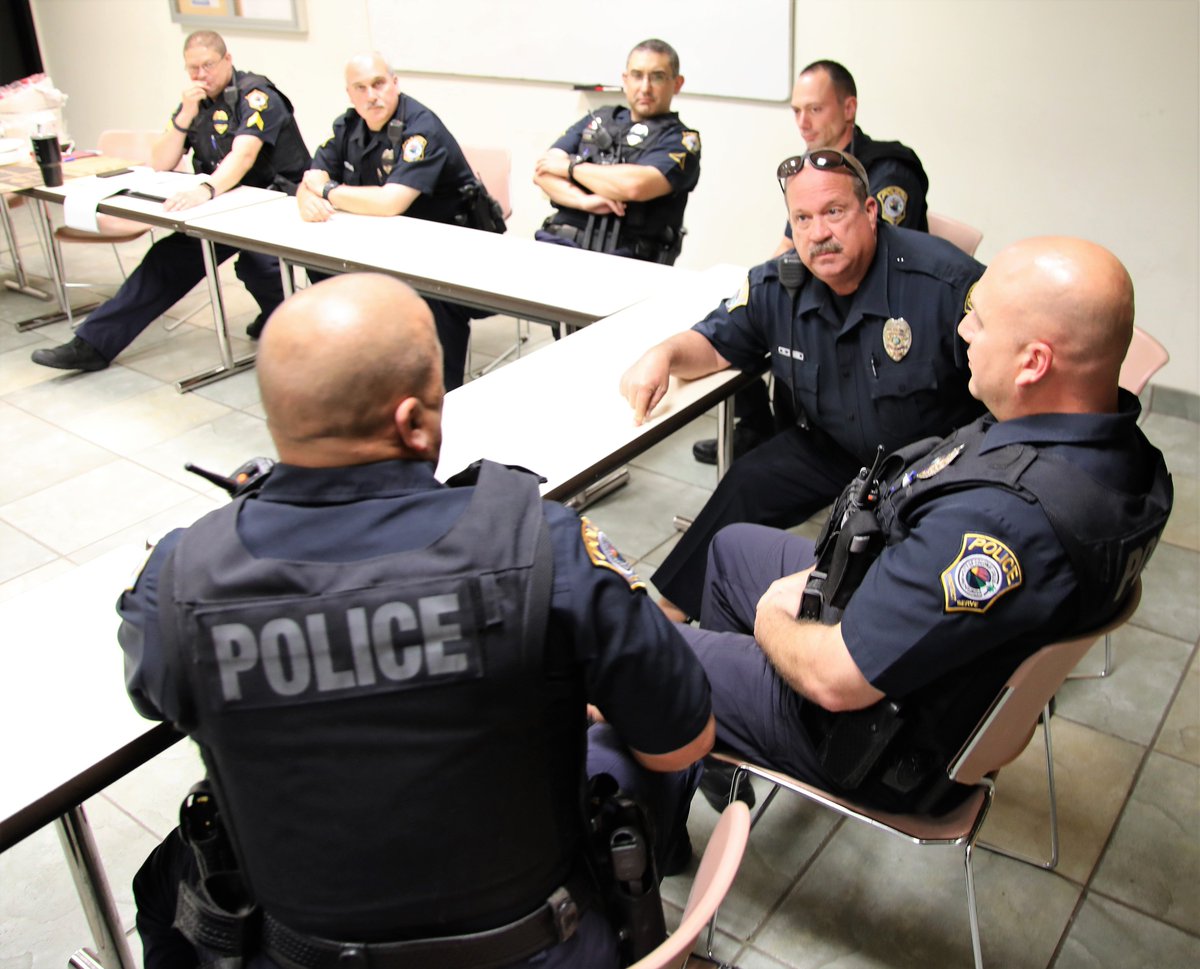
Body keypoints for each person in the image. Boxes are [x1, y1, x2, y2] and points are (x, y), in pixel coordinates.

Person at [119, 273, 715, 969]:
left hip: (300, 952)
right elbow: (682, 741)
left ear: (278, 421)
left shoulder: (182, 574)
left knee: (165, 875)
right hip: (537, 948)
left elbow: (156, 695)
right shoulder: (544, 546)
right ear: (414, 420)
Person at [679, 236, 1172, 815]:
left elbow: (839, 680)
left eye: (979, 323)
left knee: (647, 657)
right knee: (732, 547)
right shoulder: (1117, 447)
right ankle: (718, 750)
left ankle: (693, 752)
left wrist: (774, 620)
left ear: (1034, 362)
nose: (963, 333)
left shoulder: (997, 524)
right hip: (907, 629)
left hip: (875, 742)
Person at [621, 149, 985, 622]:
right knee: (748, 482)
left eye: (834, 212)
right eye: (802, 218)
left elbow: (1013, 394)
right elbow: (716, 344)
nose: (818, 234)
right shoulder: (778, 284)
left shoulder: (945, 284)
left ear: (870, 212)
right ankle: (670, 613)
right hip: (833, 447)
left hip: (926, 465)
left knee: (905, 579)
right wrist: (664, 355)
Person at [694, 59, 932, 465]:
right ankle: (763, 431)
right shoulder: (811, 169)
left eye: (815, 109)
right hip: (824, 304)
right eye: (796, 111)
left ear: (849, 109)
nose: (803, 122)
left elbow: (870, 261)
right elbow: (789, 249)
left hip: (880, 316)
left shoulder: (888, 168)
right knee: (742, 317)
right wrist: (754, 294)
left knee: (790, 325)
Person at [31, 30, 309, 373]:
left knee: (259, 265)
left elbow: (245, 155)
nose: (200, 75)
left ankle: (285, 324)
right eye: (192, 69)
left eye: (207, 65)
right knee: (166, 259)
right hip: (224, 206)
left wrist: (205, 190)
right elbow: (160, 161)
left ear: (227, 60)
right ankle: (92, 345)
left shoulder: (256, 96)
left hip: (275, 204)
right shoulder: (195, 102)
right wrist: (185, 115)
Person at [297, 51, 504, 390]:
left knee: (431, 308)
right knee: (324, 269)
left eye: (378, 83)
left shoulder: (421, 130)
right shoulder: (348, 125)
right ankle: (361, 372)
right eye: (360, 88)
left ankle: (439, 400)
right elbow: (313, 175)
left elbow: (390, 202)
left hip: (452, 251)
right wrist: (307, 195)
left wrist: (327, 191)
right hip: (391, 244)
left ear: (394, 83)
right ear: (349, 94)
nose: (371, 95)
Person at [533, 38, 700, 265]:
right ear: (625, 80)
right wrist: (584, 201)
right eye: (637, 75)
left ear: (677, 83)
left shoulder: (680, 140)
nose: (645, 87)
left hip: (625, 261)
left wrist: (570, 167)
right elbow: (543, 173)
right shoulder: (599, 118)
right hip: (557, 244)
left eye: (658, 76)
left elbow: (634, 186)